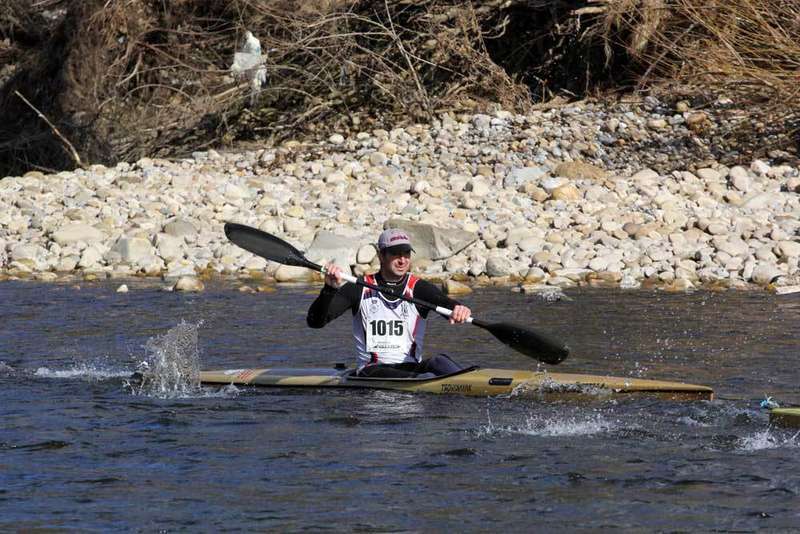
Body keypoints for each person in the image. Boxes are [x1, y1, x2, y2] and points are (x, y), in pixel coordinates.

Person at [307, 228, 472, 378]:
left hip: (411, 368)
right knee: (406, 375)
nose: (402, 260)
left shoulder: (419, 288)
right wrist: (329, 289)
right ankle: (424, 382)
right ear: (381, 256)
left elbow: (447, 304)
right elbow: (315, 321)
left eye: (406, 253)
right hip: (372, 370)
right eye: (395, 253)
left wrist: (459, 309)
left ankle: (468, 381)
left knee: (439, 361)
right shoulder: (358, 288)